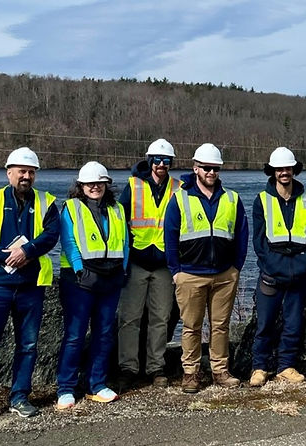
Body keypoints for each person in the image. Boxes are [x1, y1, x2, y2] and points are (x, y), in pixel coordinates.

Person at [0, 147, 61, 424]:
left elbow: (52, 234)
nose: (26, 176)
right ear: (9, 173)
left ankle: (19, 397)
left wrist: (27, 251)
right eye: (21, 171)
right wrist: (8, 256)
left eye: (31, 172)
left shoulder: (47, 202)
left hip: (30, 286)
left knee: (28, 345)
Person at [164, 143, 249, 392]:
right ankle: (190, 373)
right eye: (206, 168)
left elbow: (242, 234)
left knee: (220, 326)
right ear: (195, 168)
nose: (211, 172)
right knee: (191, 326)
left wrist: (236, 267)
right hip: (190, 274)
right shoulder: (180, 199)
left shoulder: (232, 198)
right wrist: (176, 271)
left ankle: (220, 371)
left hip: (224, 274)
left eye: (215, 168)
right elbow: (169, 236)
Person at [55, 162, 129, 409]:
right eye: (89, 183)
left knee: (104, 334)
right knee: (75, 335)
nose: (94, 187)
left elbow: (125, 242)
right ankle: (65, 388)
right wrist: (78, 268)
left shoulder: (117, 209)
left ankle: (96, 384)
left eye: (99, 182)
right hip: (80, 280)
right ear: (81, 186)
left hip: (112, 277)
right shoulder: (71, 208)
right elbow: (68, 240)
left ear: (106, 184)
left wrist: (124, 268)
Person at [250, 147, 306, 386]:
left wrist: (301, 264)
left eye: (287, 168)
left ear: (293, 170)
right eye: (279, 169)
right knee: (265, 323)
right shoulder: (262, 200)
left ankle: (286, 366)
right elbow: (259, 242)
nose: (284, 173)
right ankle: (259, 367)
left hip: (299, 273)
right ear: (273, 171)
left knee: (294, 323)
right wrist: (276, 266)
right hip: (272, 273)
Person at [116, 138, 183, 391]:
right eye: (157, 159)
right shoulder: (133, 186)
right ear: (149, 160)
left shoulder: (178, 187)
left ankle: (156, 367)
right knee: (129, 318)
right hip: (136, 262)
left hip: (165, 264)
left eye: (166, 160)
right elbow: (119, 221)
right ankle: (128, 368)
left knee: (161, 318)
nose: (161, 164)